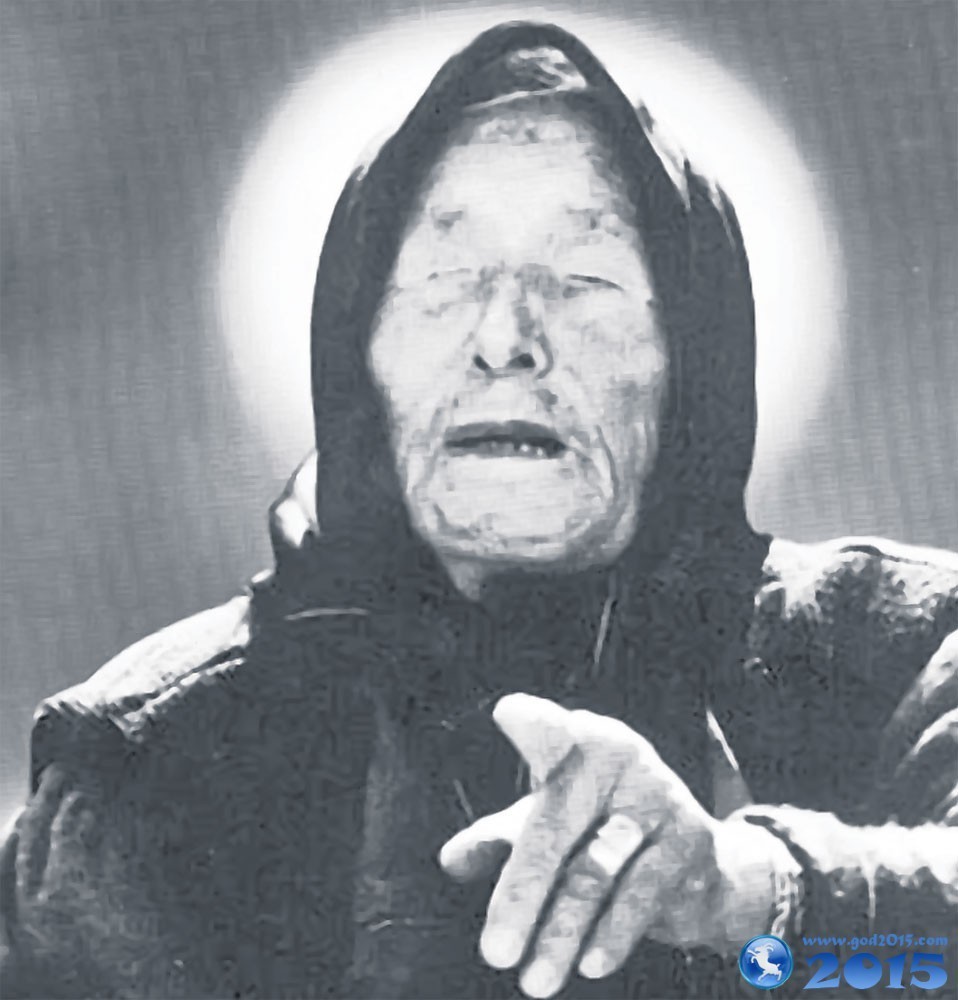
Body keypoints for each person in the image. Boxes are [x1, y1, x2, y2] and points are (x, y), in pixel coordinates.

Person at [1, 20, 956, 1000]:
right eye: (445, 280)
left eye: (585, 279)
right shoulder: (155, 760)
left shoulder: (900, 653)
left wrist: (753, 896)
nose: (506, 338)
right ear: (357, 356)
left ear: (695, 362)